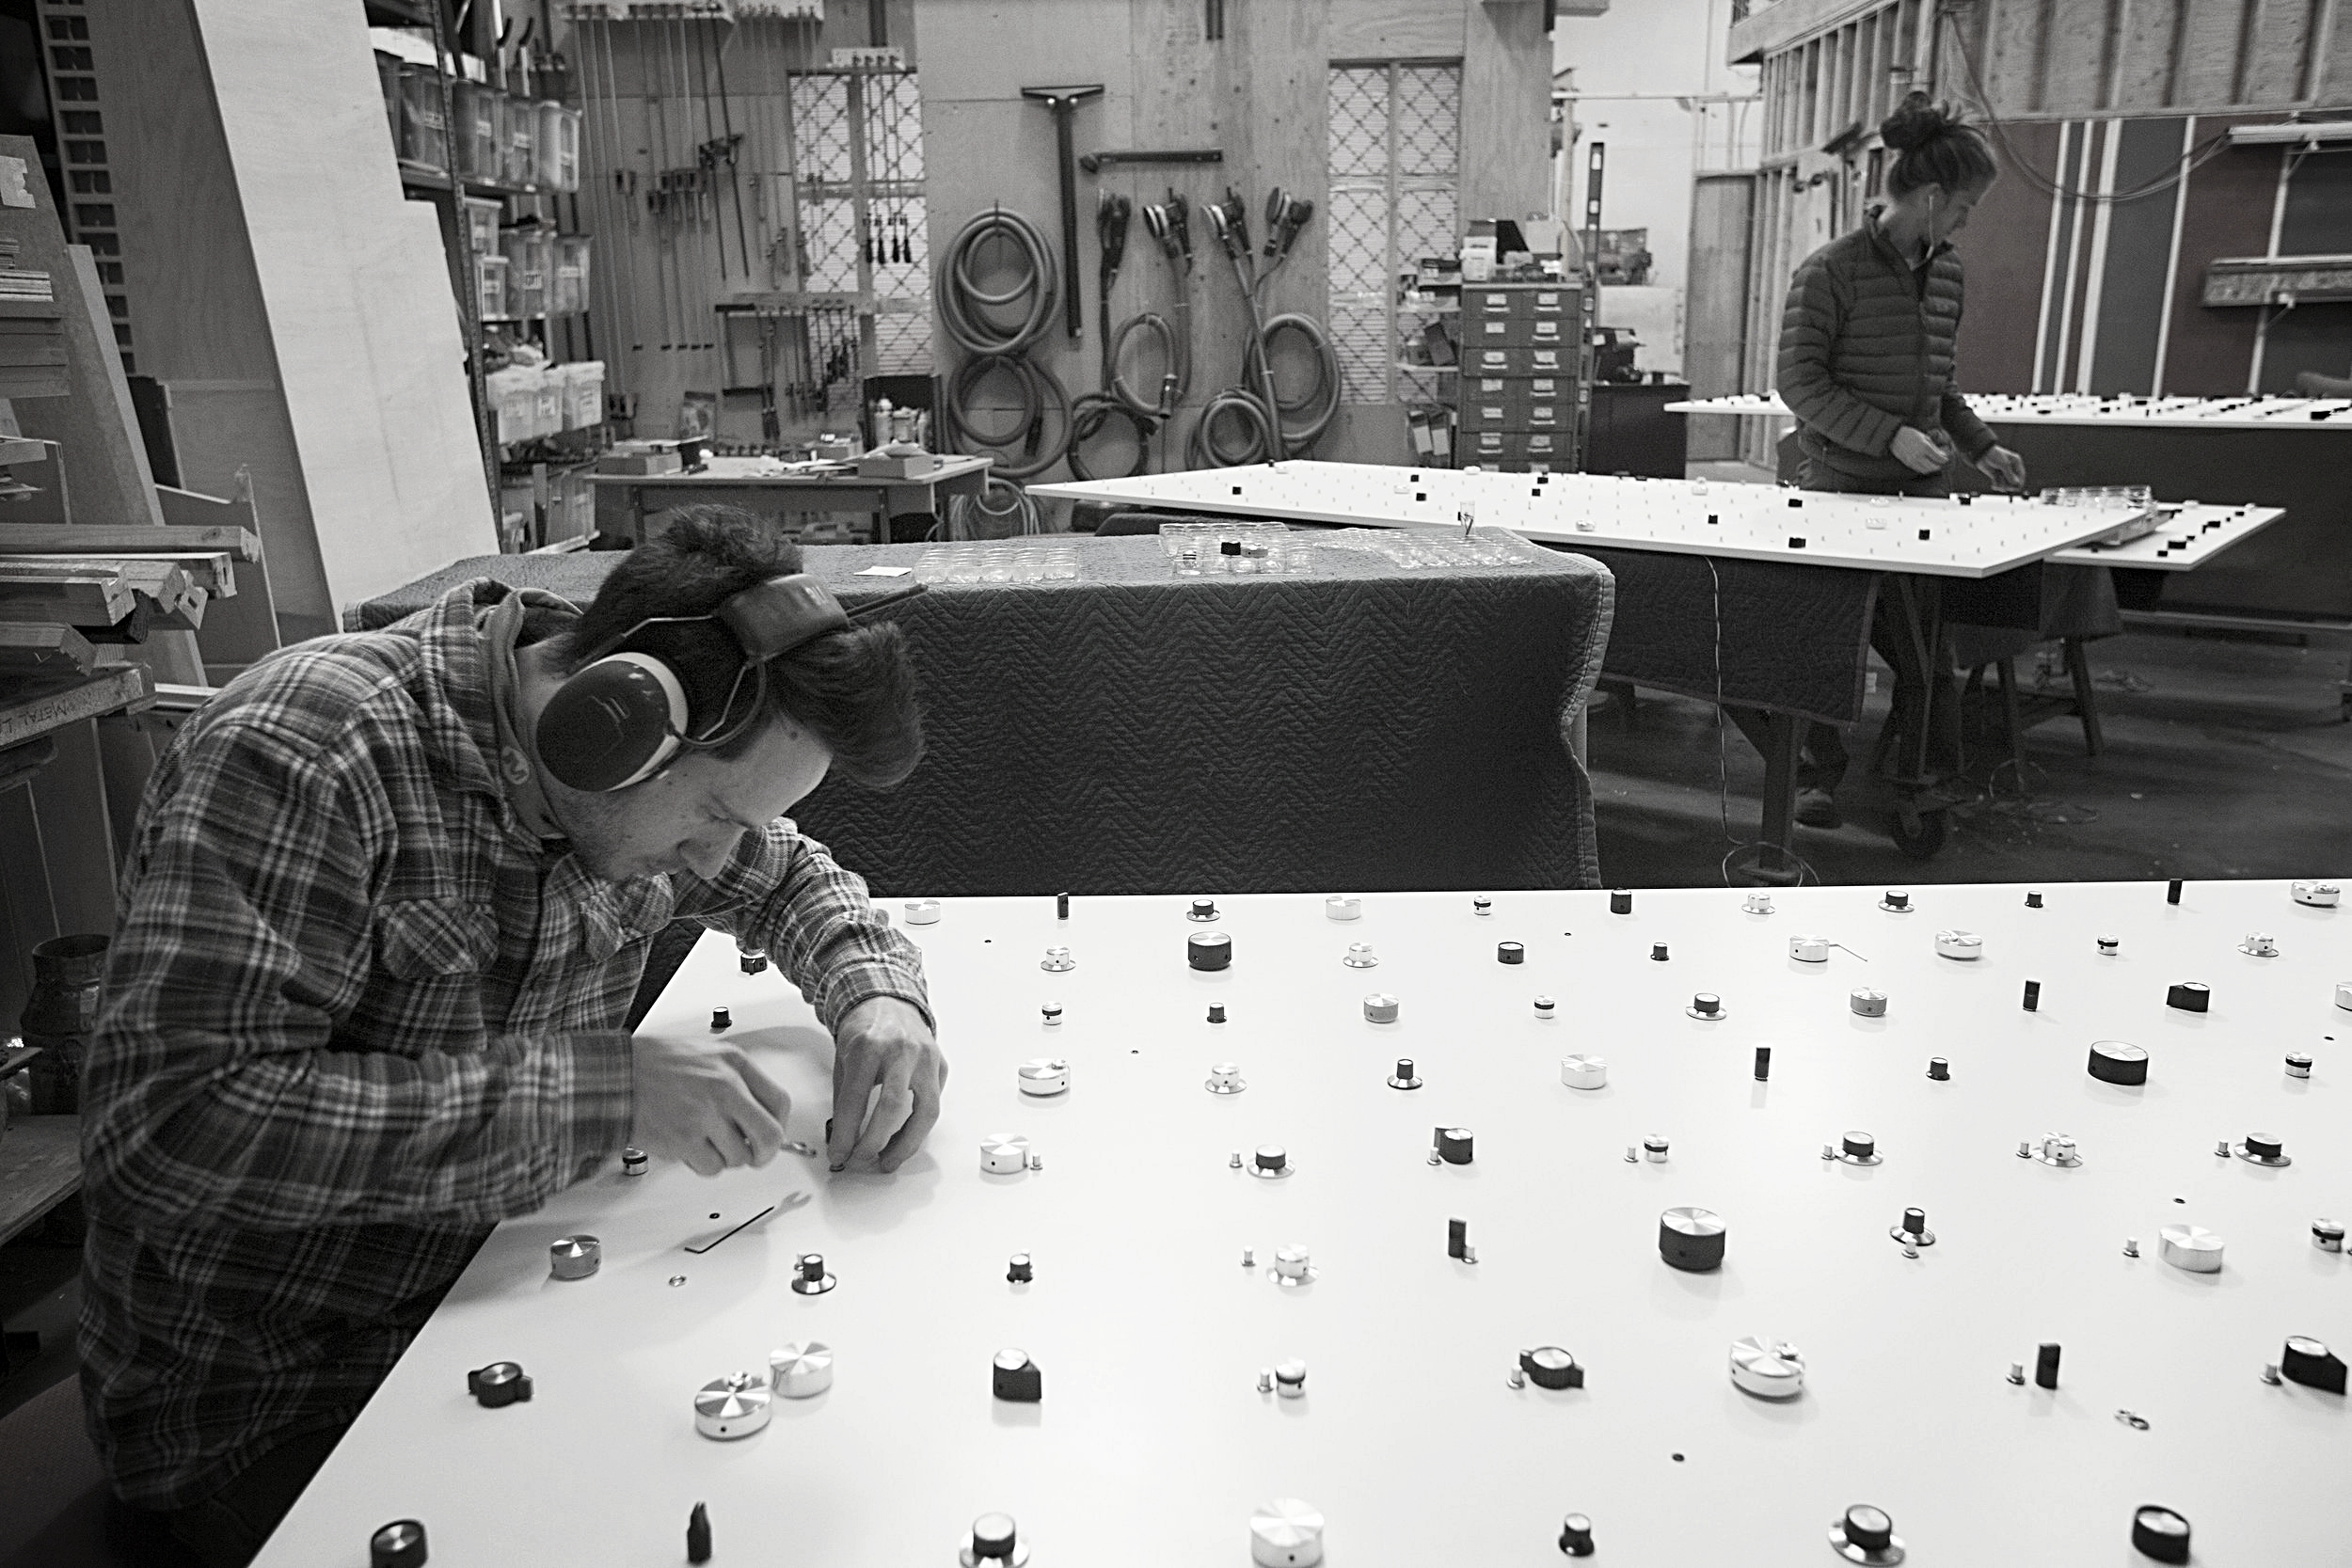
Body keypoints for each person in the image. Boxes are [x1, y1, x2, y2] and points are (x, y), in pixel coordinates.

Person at [79, 507, 947, 1567]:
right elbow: (166, 1133)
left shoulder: (637, 783)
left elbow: (794, 876)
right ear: (612, 719)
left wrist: (879, 1001)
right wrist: (595, 1092)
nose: (719, 853)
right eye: (715, 812)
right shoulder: (305, 750)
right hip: (287, 1399)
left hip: (507, 1294)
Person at [1750, 91, 2028, 830]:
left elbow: (1939, 386)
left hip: (1921, 493)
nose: (1969, 221)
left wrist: (1981, 445)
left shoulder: (1947, 273)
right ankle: (1815, 774)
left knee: (1925, 649)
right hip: (1841, 487)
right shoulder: (1829, 273)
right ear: (1932, 198)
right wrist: (1885, 436)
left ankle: (1920, 781)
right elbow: (1800, 382)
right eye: (1966, 206)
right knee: (1826, 641)